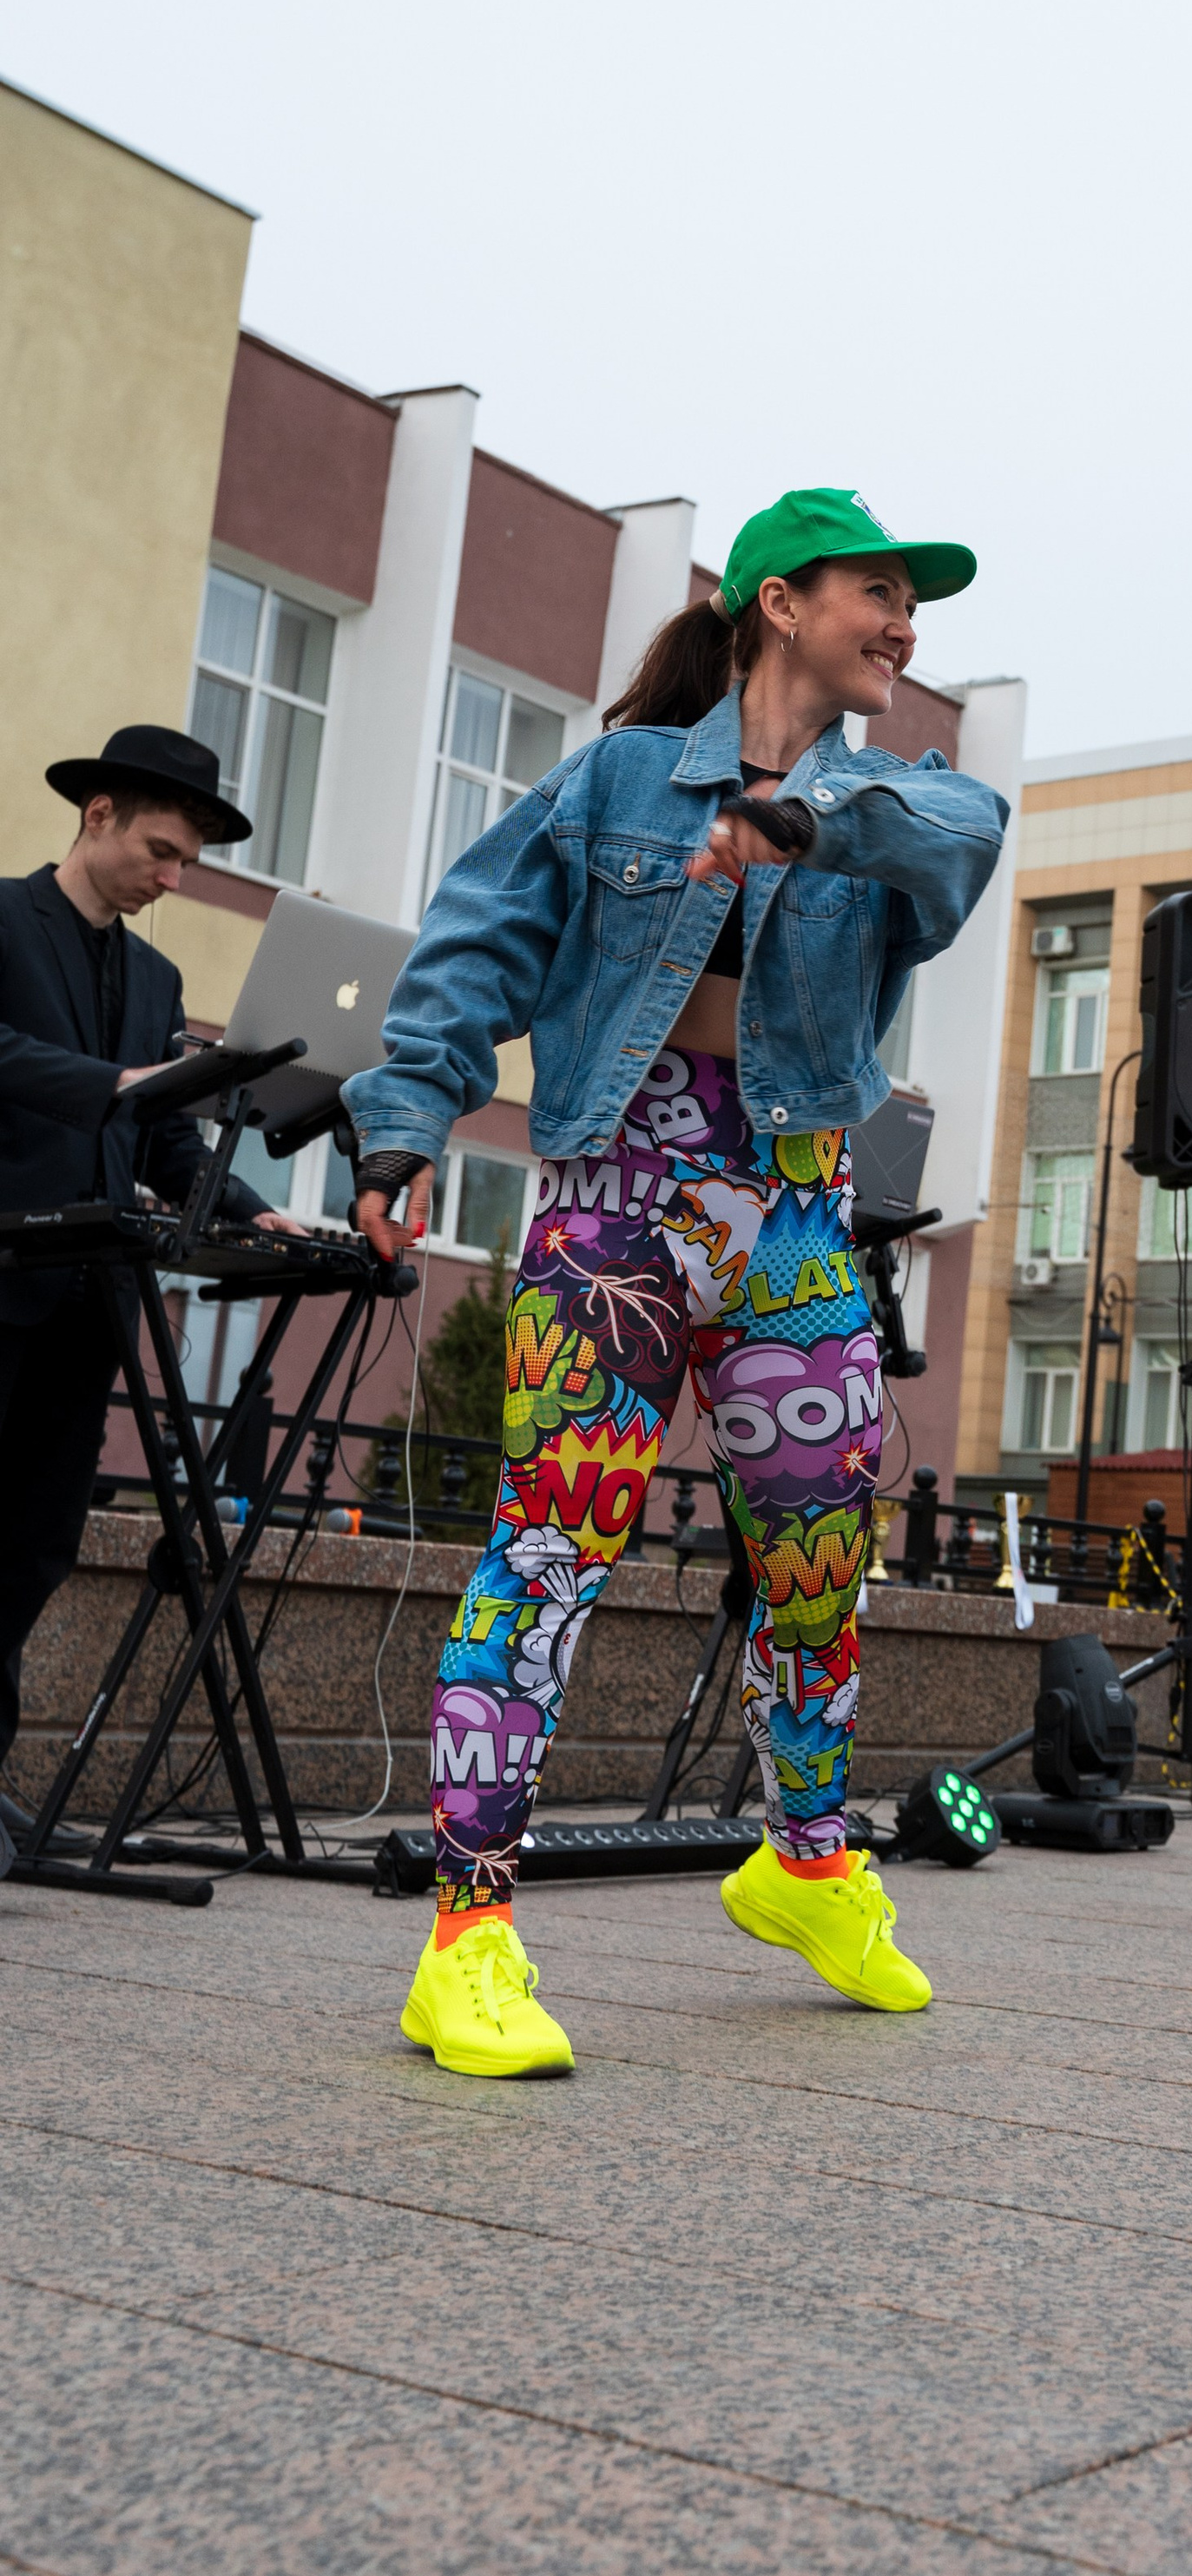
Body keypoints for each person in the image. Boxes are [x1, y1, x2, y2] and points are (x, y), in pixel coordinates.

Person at [347, 488, 1008, 2075]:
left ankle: (806, 1859)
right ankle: (468, 1936)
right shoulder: (621, 778)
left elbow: (963, 847)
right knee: (551, 1552)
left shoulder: (904, 798)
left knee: (818, 1558)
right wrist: (402, 1119)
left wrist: (805, 820)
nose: (904, 625)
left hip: (792, 1216)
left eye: (915, 604)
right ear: (781, 601)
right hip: (617, 1199)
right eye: (878, 593)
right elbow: (475, 944)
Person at [0, 726, 302, 1814]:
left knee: (34, 1545)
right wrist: (118, 1079)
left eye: (186, 864)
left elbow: (169, 1142)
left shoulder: (157, 973)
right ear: (97, 816)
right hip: (4, 1277)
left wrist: (261, 1214)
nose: (171, 880)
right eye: (161, 853)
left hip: (92, 1298)